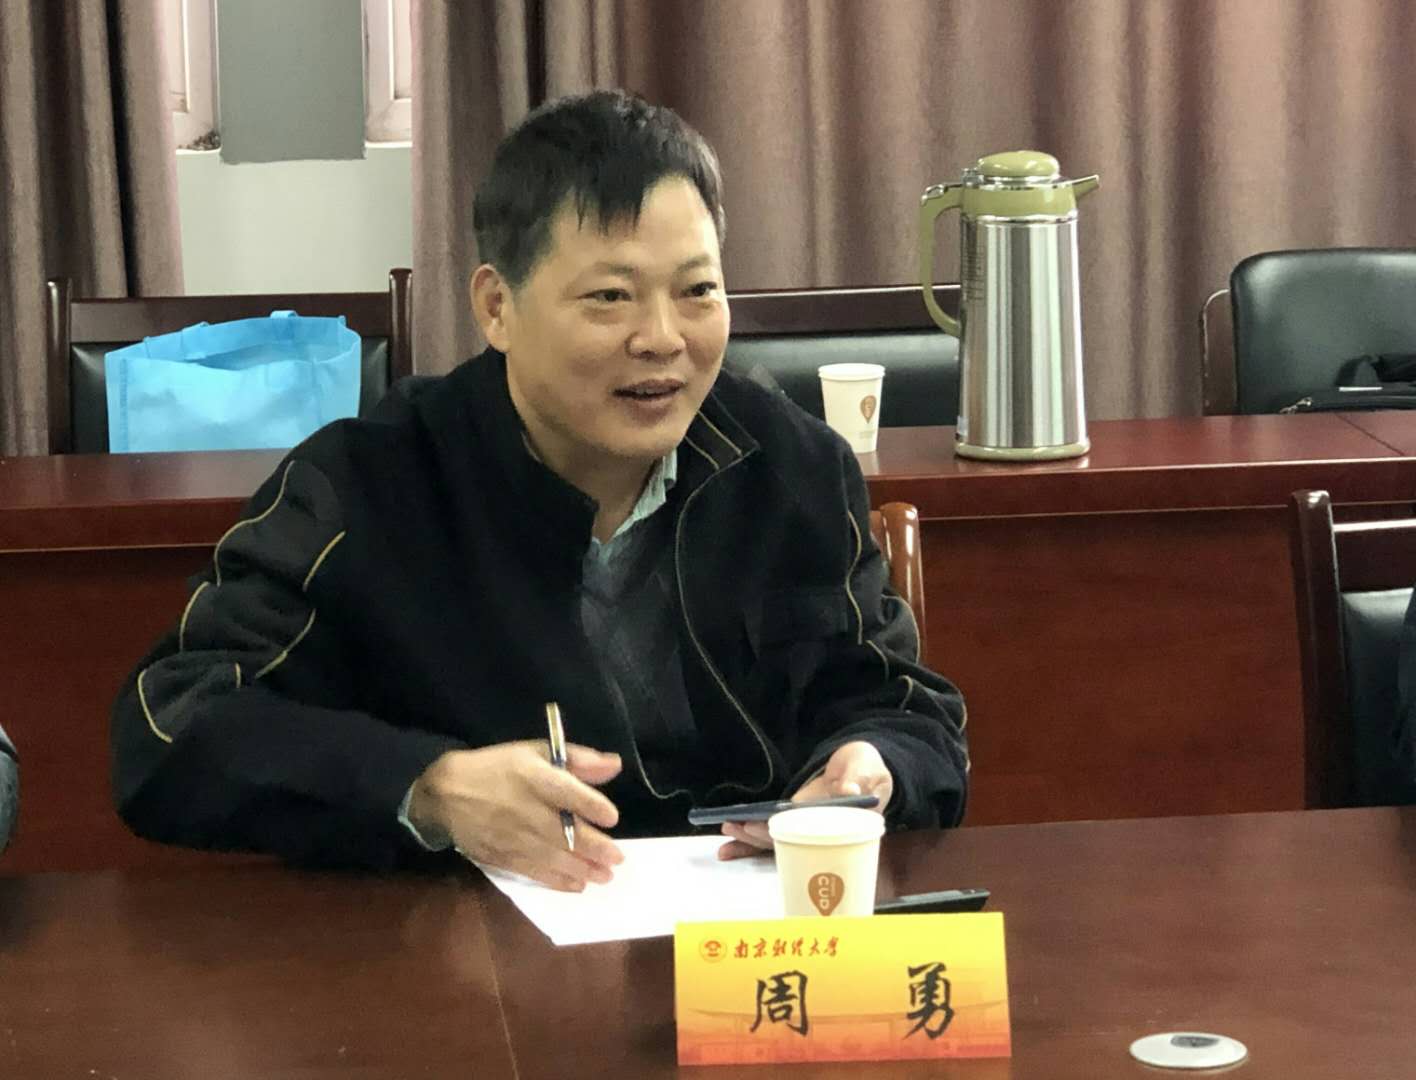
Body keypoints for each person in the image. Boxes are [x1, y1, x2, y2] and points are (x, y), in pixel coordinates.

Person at [111, 90, 968, 890]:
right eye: (610, 297)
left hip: (749, 944)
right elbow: (169, 727)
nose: (662, 338)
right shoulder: (367, 486)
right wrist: (426, 789)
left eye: (697, 291)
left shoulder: (792, 468)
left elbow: (905, 710)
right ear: (497, 307)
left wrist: (874, 764)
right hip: (470, 951)